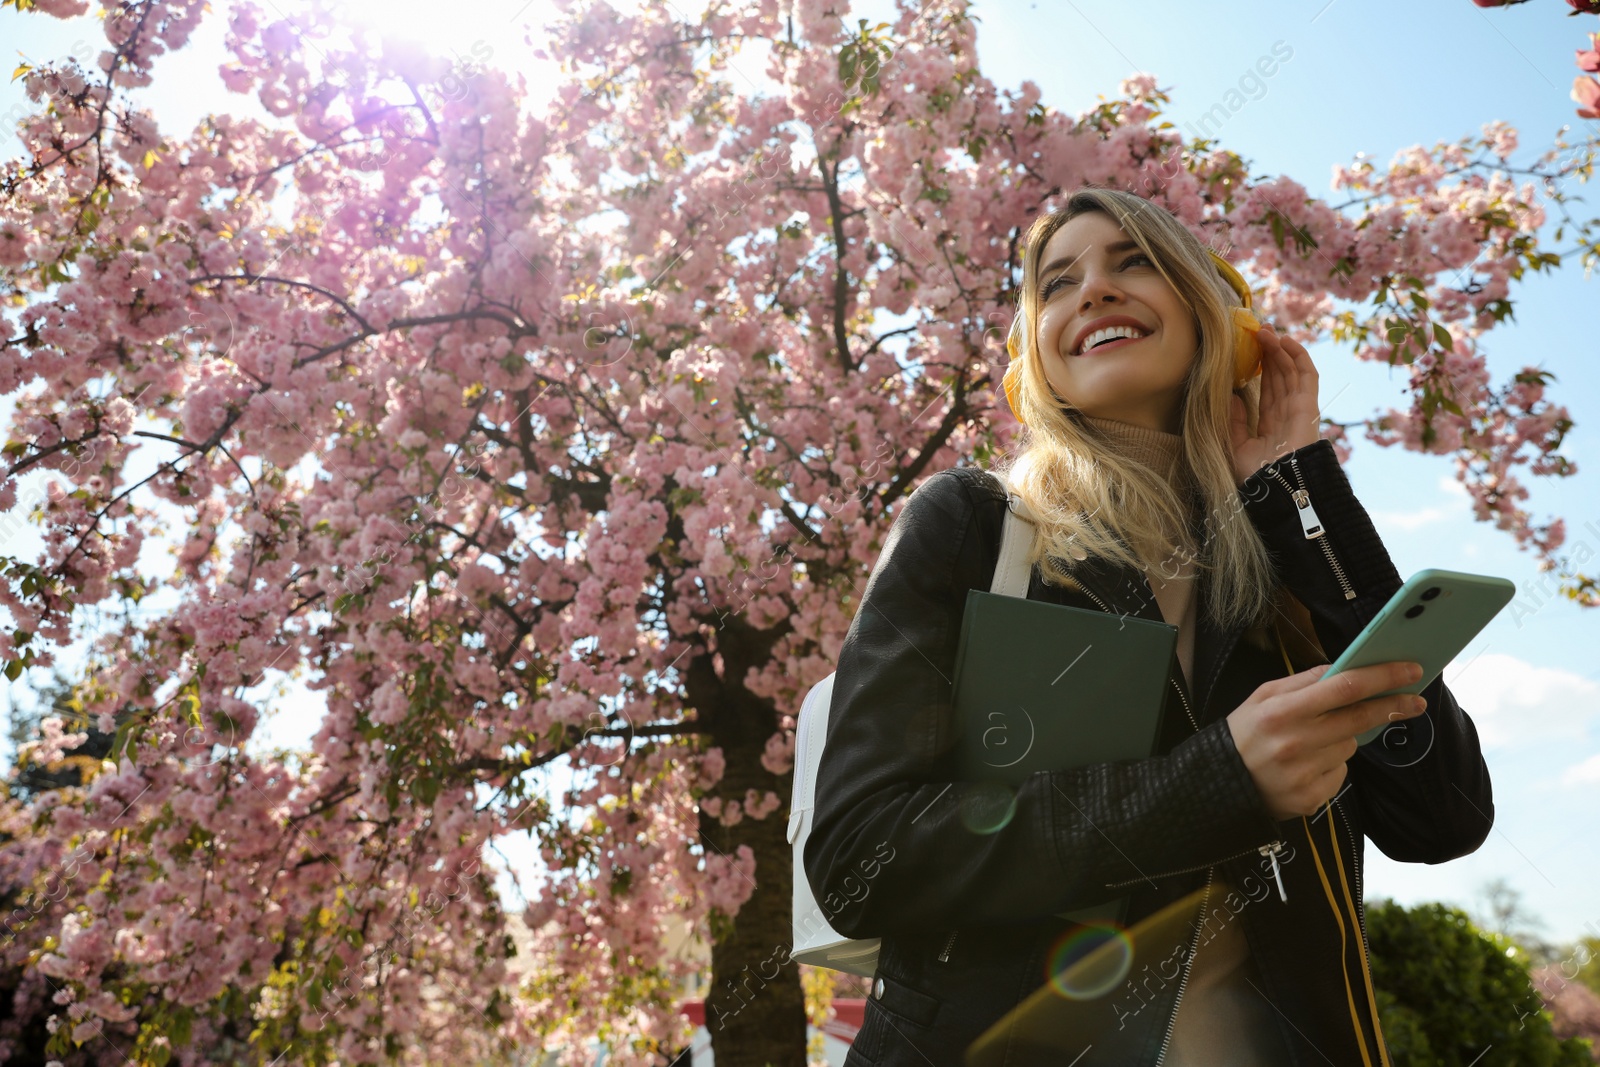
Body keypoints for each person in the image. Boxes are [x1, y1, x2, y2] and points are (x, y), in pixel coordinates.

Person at [803, 187, 1495, 1066]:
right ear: (1034, 361)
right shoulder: (974, 529)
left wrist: (1304, 490)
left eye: (1135, 261)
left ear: (1222, 320)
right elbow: (864, 856)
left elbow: (1444, 815)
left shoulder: (1281, 567)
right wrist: (1218, 781)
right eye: (1056, 283)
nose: (1092, 290)